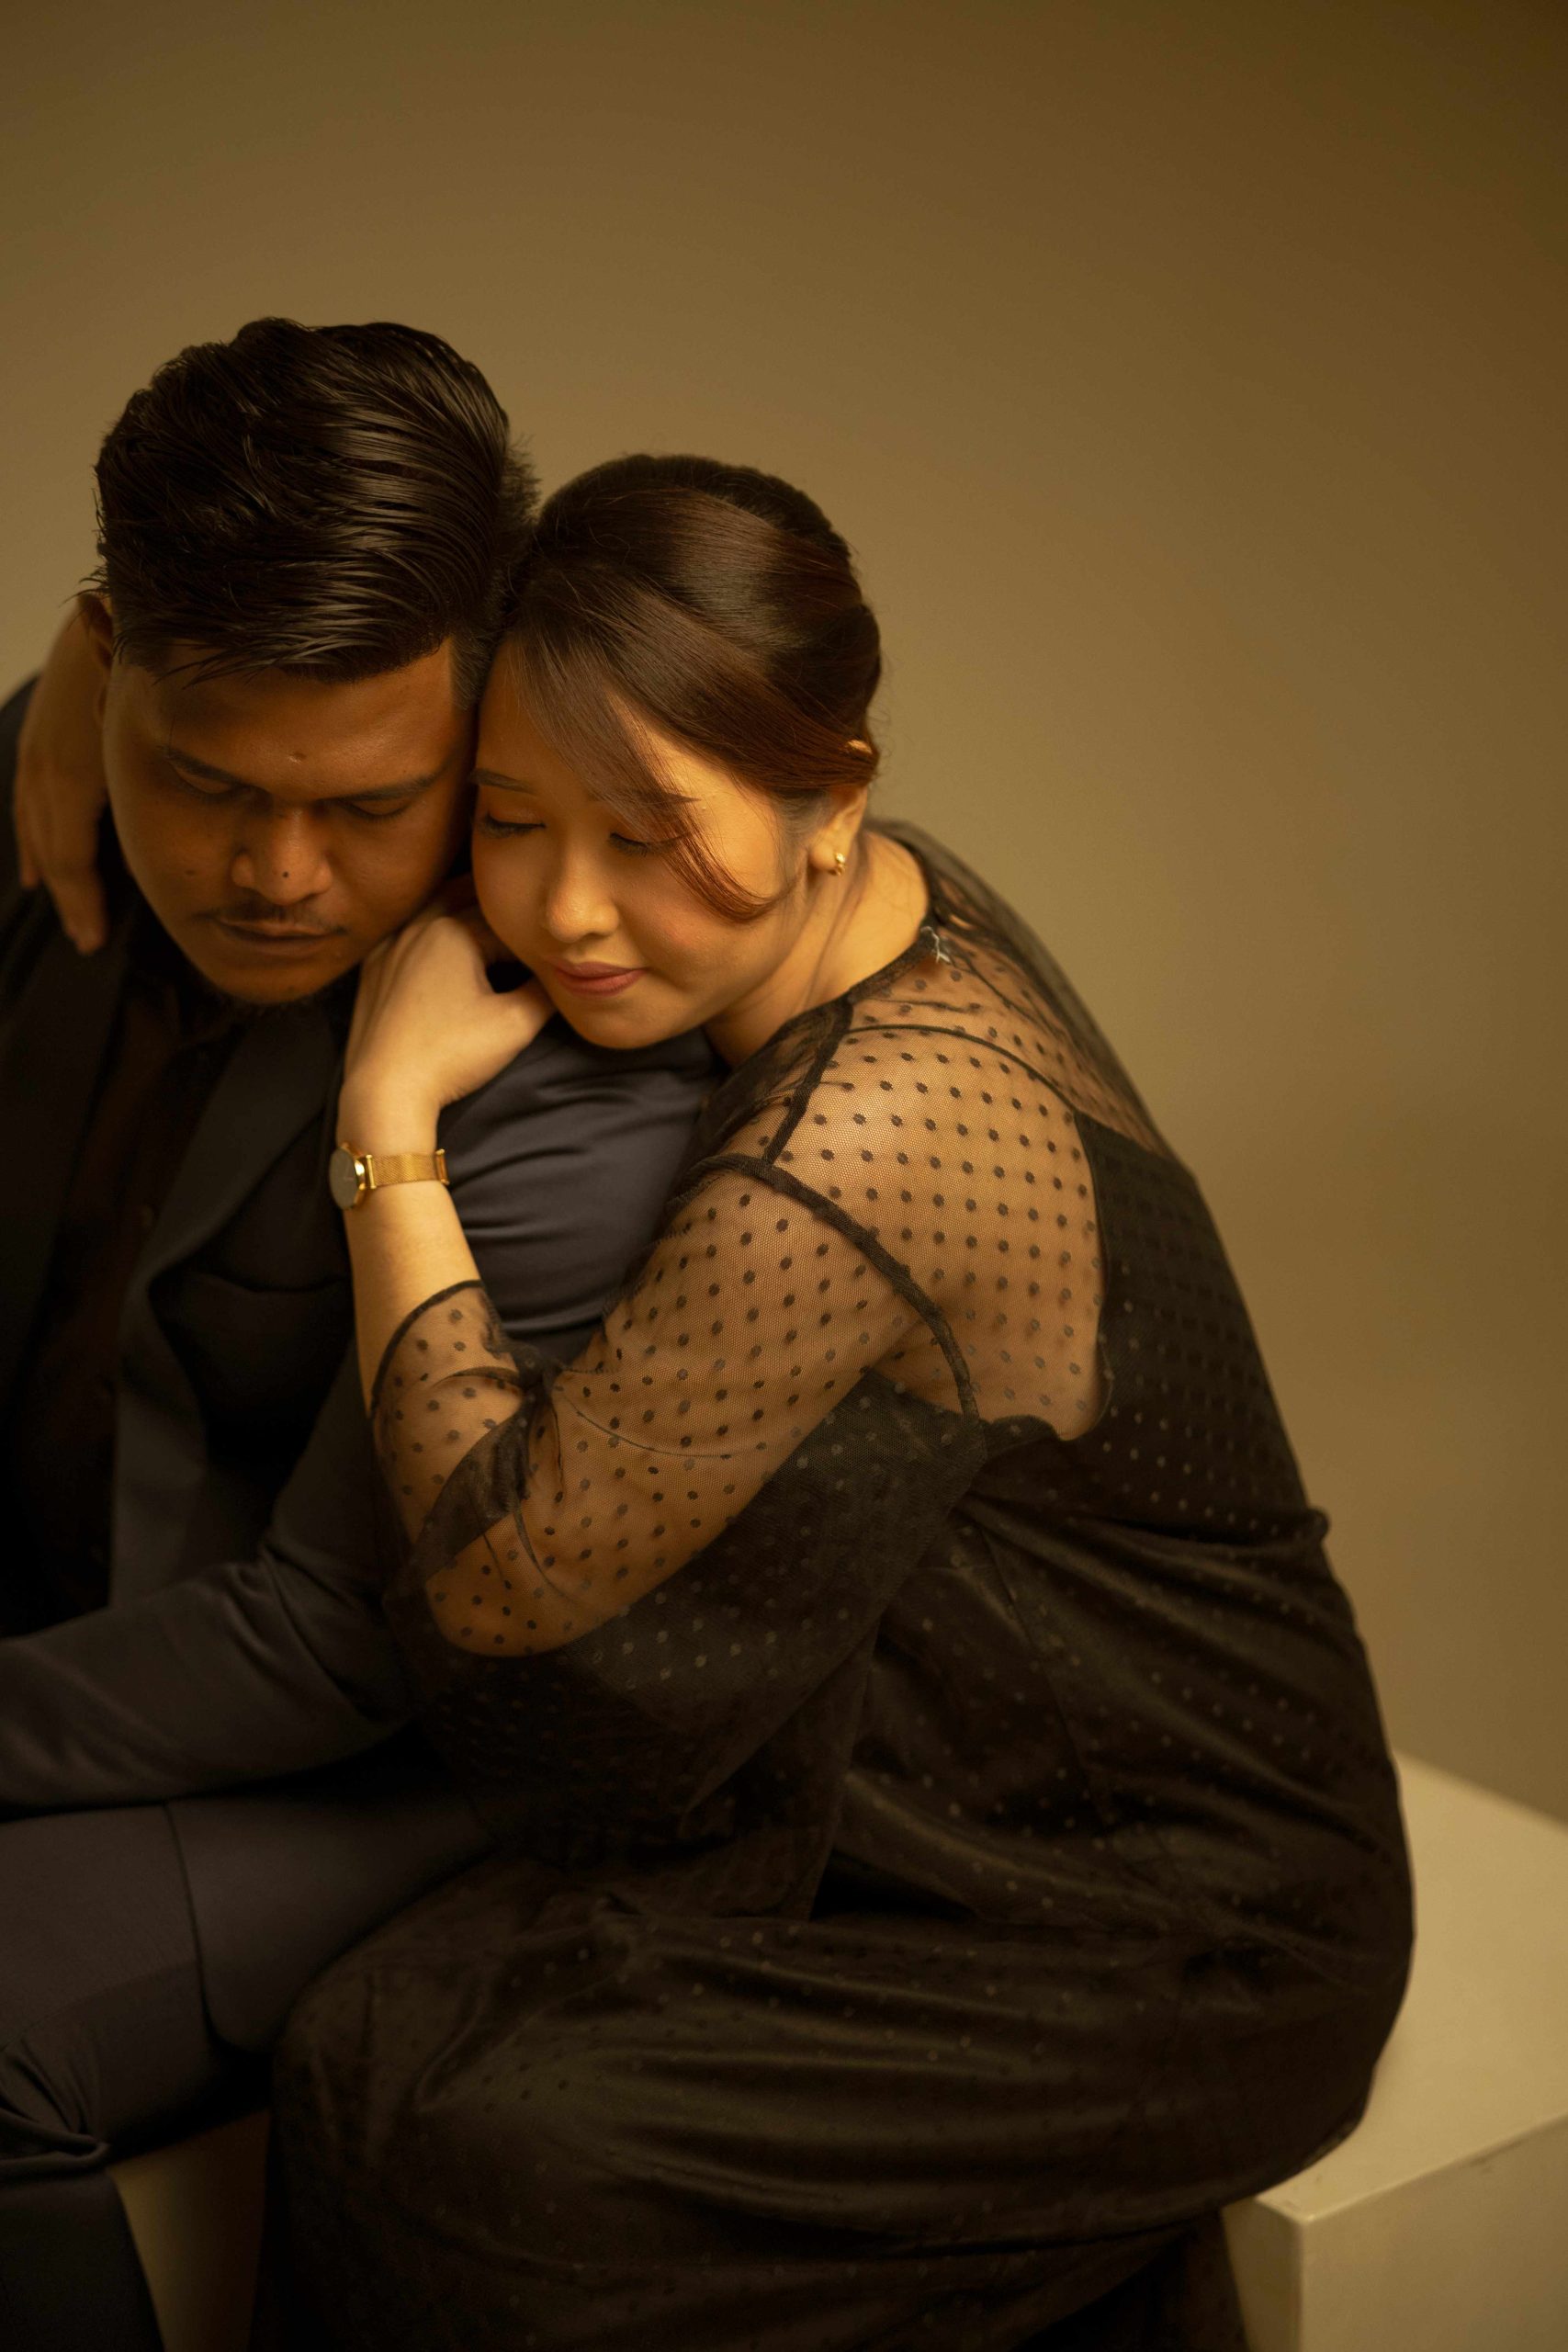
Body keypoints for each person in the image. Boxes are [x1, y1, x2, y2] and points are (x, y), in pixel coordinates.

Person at [267, 454, 1416, 2350]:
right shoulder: (882, 896)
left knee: (473, 2147)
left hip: (1170, 1912)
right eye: (513, 820)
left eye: (651, 834)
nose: (568, 907)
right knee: (371, 2041)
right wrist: (75, 710)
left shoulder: (875, 1130)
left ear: (834, 794)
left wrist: (387, 1126)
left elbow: (500, 1572)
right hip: (940, 1787)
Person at [0, 328, 714, 2351]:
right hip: (81, 1641)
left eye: (370, 804)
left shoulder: (572, 1063)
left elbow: (334, 1642)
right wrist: (66, 701)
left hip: (391, 1765)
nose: (274, 871)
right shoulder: (71, 747)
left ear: (485, 723)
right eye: (204, 782)